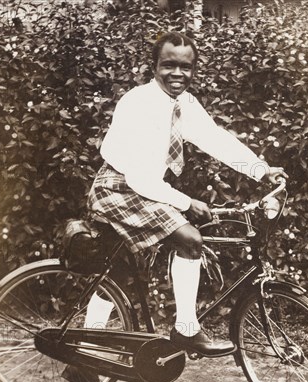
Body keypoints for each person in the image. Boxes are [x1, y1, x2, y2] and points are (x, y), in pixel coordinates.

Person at [87, 31, 287, 356]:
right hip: (119, 187)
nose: (177, 74)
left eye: (186, 67)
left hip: (142, 186)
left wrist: (260, 169)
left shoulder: (185, 104)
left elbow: (215, 138)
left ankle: (83, 359)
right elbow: (139, 176)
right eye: (168, 65)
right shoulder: (137, 103)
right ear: (153, 66)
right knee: (190, 239)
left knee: (118, 273)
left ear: (193, 69)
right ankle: (186, 330)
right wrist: (185, 202)